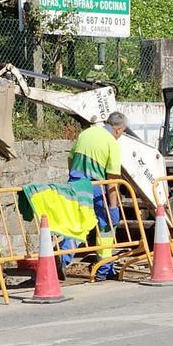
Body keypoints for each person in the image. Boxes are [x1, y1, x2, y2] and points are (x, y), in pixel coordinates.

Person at [64, 112, 127, 280]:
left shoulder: (86, 133)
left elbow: (70, 159)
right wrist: (113, 207)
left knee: (76, 224)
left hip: (75, 184)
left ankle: (61, 260)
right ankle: (104, 268)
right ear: (118, 129)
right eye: (122, 132)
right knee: (105, 227)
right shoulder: (111, 143)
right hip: (95, 187)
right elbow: (112, 181)